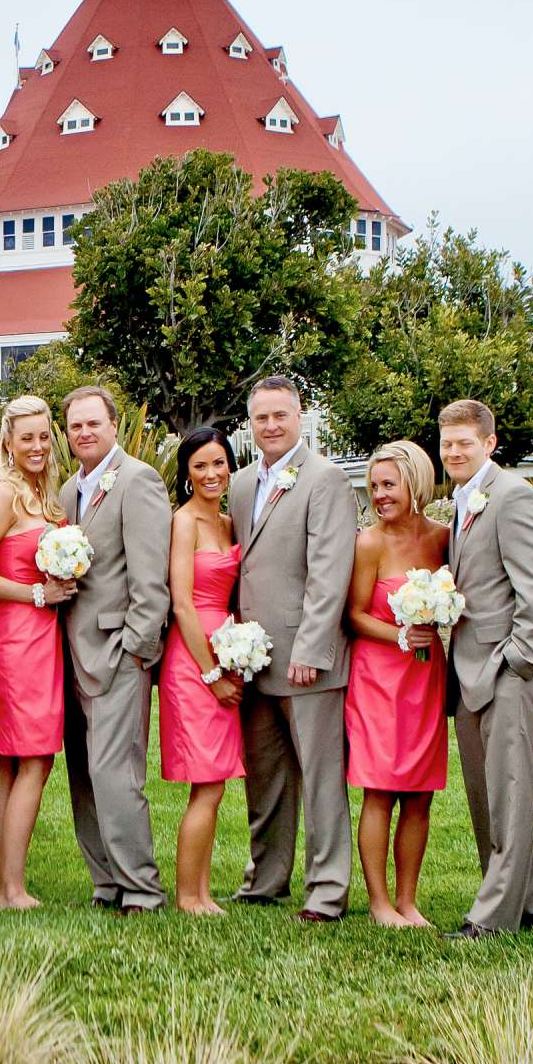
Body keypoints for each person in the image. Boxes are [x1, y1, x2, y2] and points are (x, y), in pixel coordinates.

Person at [227, 375, 354, 922]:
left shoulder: (325, 479)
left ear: (301, 417)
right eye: (261, 418)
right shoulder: (238, 483)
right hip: (252, 657)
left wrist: (313, 648)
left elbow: (330, 571)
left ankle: (326, 890)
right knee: (265, 775)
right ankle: (266, 878)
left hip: (307, 660)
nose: (271, 426)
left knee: (321, 778)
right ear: (250, 425)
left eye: (281, 415)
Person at [439, 398, 533, 940]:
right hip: (467, 670)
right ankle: (527, 900)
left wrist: (519, 661)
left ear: (489, 443)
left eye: (465, 442)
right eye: (447, 444)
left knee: (509, 793)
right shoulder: (464, 501)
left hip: (506, 669)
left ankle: (494, 917)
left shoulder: (513, 498)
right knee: (485, 795)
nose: (454, 452)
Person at [56, 385, 171, 914]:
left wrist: (138, 648)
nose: (84, 433)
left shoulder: (137, 481)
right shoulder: (65, 493)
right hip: (68, 655)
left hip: (117, 652)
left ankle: (142, 889)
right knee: (82, 774)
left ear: (114, 425)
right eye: (75, 426)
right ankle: (106, 882)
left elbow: (151, 578)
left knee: (115, 773)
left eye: (92, 424)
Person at [0, 395, 72, 910]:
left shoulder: (44, 495)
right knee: (34, 759)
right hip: (17, 636)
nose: (37, 445)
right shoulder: (5, 495)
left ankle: (6, 886)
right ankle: (12, 888)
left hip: (41, 635)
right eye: (26, 437)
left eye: (44, 435)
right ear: (8, 442)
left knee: (14, 761)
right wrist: (35, 593)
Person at [344, 439, 450, 929]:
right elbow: (354, 615)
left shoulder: (442, 538)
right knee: (380, 790)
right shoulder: (369, 542)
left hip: (426, 677)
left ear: (417, 483)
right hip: (379, 678)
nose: (380, 494)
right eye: (375, 485)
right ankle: (380, 903)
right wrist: (403, 635)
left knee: (420, 792)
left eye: (390, 484)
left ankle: (409, 901)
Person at [160, 424, 245, 916]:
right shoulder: (185, 521)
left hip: (226, 651)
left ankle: (202, 890)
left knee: (215, 782)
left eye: (218, 463)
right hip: (194, 659)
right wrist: (212, 673)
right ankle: (190, 896)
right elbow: (184, 604)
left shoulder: (230, 522)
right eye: (200, 466)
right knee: (207, 782)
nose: (211, 473)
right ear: (187, 475)